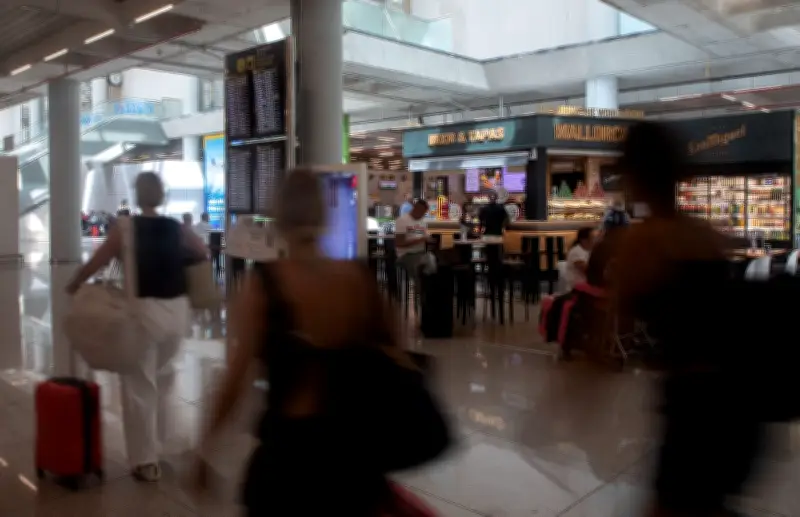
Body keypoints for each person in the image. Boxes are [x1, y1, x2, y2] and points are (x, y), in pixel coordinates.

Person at [193, 169, 406, 515]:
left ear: (278, 218)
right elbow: (397, 357)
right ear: (324, 215)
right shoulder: (359, 280)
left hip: (288, 459)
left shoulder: (263, 286)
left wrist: (207, 446)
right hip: (352, 459)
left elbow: (236, 379)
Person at [614, 122, 762, 517]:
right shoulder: (706, 234)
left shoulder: (643, 242)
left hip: (694, 405)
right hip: (742, 399)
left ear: (636, 177)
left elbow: (608, 334)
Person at [66, 172, 208, 482]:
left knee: (140, 385)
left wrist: (75, 282)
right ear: (162, 196)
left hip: (146, 313)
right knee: (165, 378)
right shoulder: (176, 227)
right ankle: (166, 445)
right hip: (178, 312)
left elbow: (98, 261)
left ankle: (146, 461)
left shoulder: (126, 228)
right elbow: (201, 251)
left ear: (137, 195)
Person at [394, 199, 430, 278]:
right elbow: (399, 243)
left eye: (424, 213)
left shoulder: (422, 222)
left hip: (421, 252)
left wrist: (427, 239)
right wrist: (420, 240)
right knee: (421, 265)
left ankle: (428, 287)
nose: (423, 215)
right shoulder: (402, 220)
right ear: (415, 209)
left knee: (436, 263)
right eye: (422, 212)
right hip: (406, 254)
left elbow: (426, 236)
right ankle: (419, 287)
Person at [564, 227, 594, 291]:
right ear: (584, 240)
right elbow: (588, 271)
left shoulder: (590, 251)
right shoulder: (576, 252)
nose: (596, 240)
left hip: (587, 287)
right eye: (593, 238)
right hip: (577, 289)